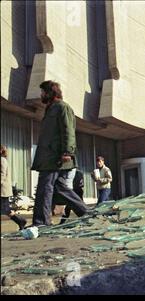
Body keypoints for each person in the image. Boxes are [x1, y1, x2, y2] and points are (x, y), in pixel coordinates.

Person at [31, 80, 88, 227]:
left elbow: (68, 130)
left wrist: (67, 152)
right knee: (58, 188)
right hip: (48, 157)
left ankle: (41, 222)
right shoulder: (50, 109)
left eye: (43, 92)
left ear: (50, 92)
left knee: (45, 189)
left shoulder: (62, 107)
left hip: (54, 158)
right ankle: (87, 214)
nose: (41, 95)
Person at [1, 145, 27, 230]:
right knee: (6, 209)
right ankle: (20, 221)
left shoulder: (2, 160)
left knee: (5, 209)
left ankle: (20, 221)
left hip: (2, 189)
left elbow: (2, 174)